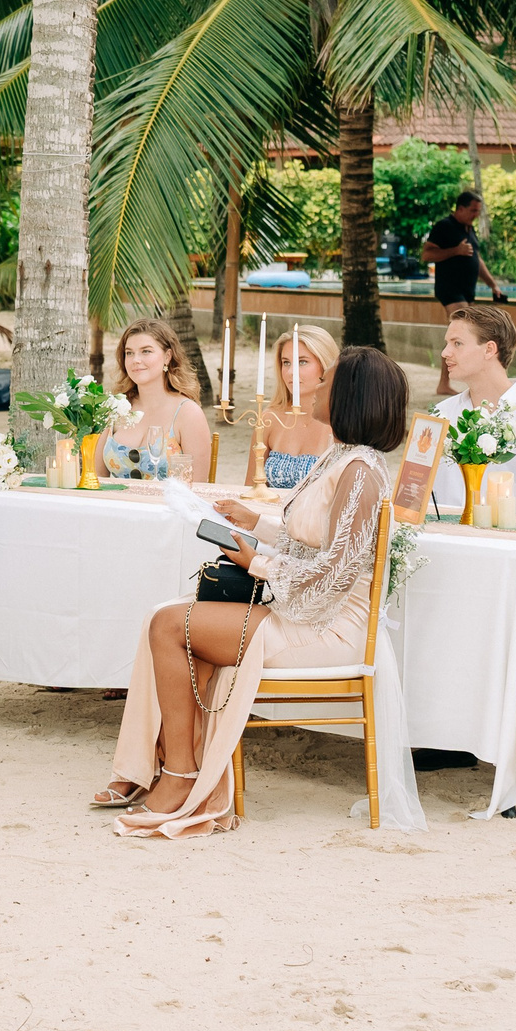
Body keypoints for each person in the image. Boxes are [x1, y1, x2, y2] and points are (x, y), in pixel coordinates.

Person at [92, 347, 411, 833]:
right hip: (306, 614)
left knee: (168, 626)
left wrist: (256, 562)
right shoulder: (342, 457)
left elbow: (335, 575)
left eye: (326, 385)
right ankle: (171, 767)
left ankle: (181, 775)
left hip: (328, 629)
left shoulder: (361, 472)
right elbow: (313, 538)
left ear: (349, 397)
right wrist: (256, 526)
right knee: (170, 616)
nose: (315, 389)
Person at [427, 303, 516, 519]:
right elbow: (420, 496)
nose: (445, 353)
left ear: (489, 349)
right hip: (443, 539)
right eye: (447, 344)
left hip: (512, 544)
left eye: (457, 343)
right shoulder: (439, 413)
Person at [103, 317, 213, 482]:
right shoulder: (117, 407)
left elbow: (197, 488)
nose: (135, 360)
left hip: (169, 507)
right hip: (117, 505)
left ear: (167, 356)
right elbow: (95, 479)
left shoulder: (188, 414)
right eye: (129, 353)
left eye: (146, 351)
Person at [242, 325, 338, 491]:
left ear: (326, 364)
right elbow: (250, 490)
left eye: (302, 362)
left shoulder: (342, 423)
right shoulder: (269, 419)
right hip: (266, 515)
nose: (291, 372)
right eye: (286, 363)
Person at [421, 189, 508, 309]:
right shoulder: (445, 226)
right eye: (473, 211)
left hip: (467, 293)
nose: (476, 215)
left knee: (470, 325)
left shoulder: (470, 230)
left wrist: (493, 285)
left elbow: (476, 260)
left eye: (478, 211)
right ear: (460, 209)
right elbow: (426, 254)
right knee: (463, 324)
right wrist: (456, 250)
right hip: (450, 290)